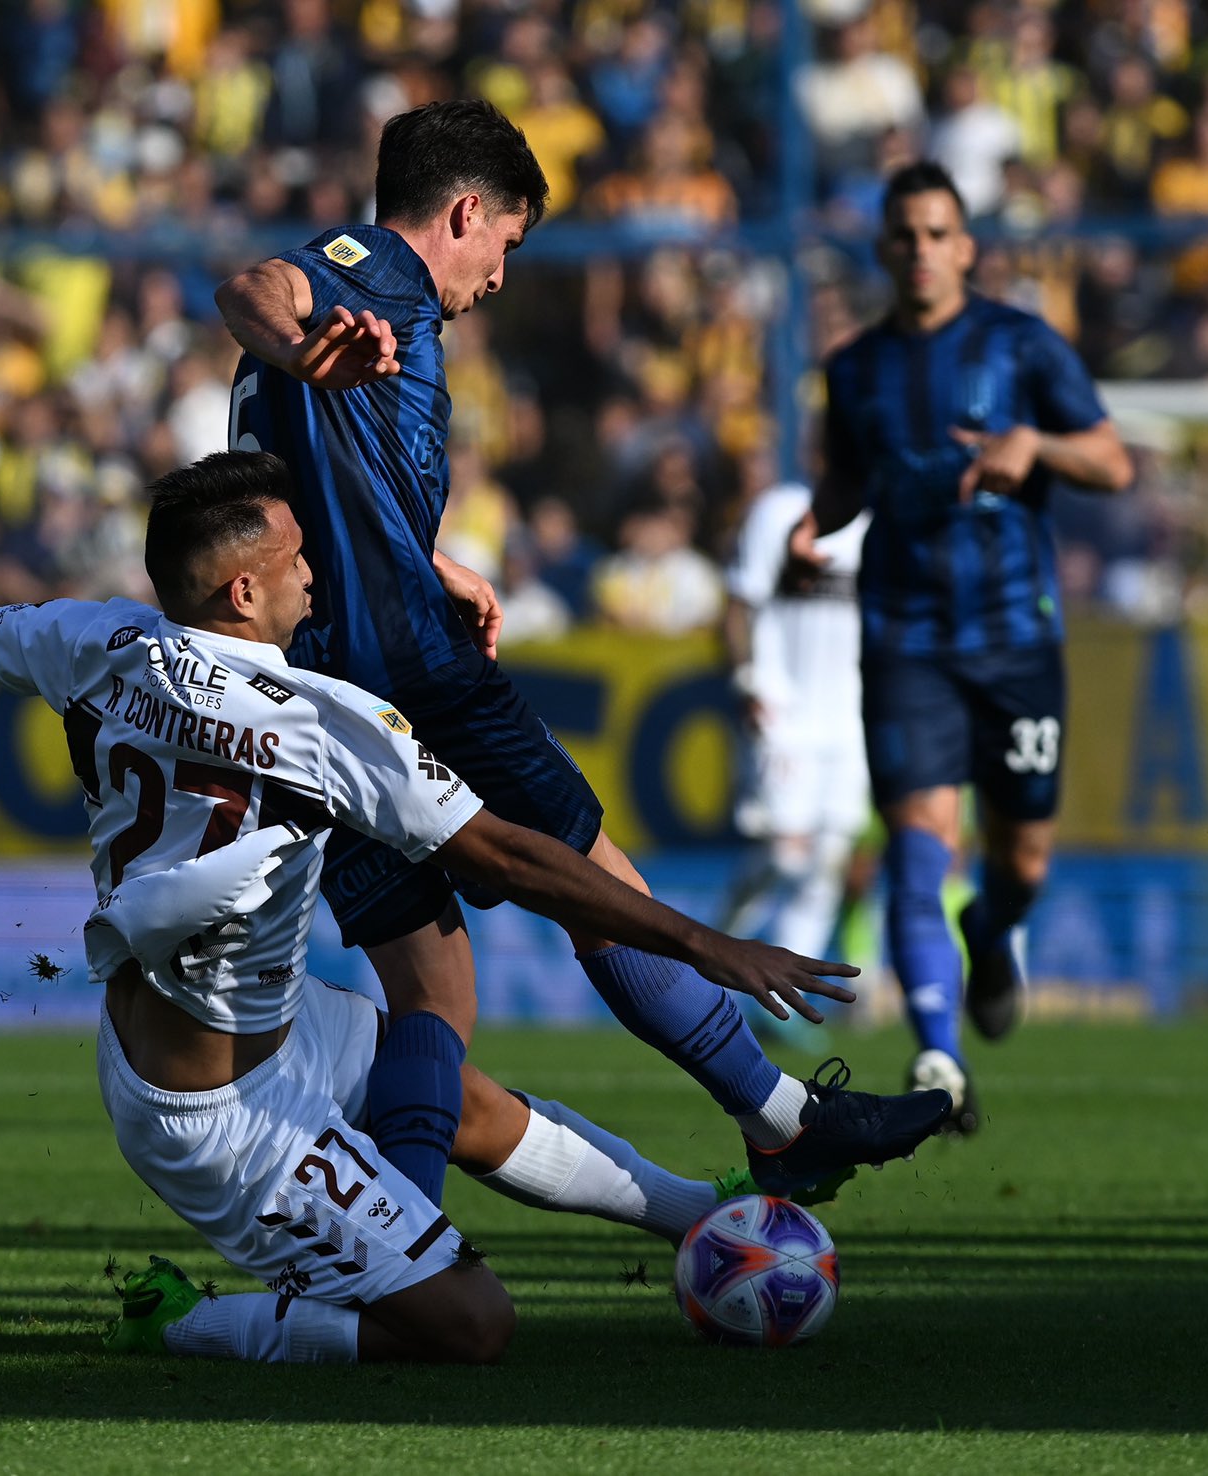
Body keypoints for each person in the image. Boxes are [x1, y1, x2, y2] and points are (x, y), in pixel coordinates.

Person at [0, 450, 951, 1366]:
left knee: (475, 1105)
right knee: (470, 1329)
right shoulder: (324, 722)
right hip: (215, 1118)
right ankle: (193, 1321)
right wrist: (701, 940)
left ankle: (709, 1224)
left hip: (253, 1027)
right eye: (296, 557)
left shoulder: (102, 642)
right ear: (239, 591)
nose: (317, 574)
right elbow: (509, 858)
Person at [214, 100, 927, 1208]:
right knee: (598, 886)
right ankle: (781, 1120)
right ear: (463, 212)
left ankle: (397, 1246)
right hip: (412, 675)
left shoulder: (354, 336)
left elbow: (303, 486)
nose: (499, 275)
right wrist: (301, 337)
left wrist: (424, 552)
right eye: (506, 241)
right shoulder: (378, 274)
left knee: (432, 992)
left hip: (309, 697)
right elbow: (254, 287)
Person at [790, 161, 1133, 1131]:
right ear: (882, 248)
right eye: (903, 235)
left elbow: (1110, 460)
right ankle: (937, 1054)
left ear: (966, 245)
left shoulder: (1020, 345)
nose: (920, 251)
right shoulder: (852, 367)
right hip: (904, 637)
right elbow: (849, 481)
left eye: (937, 233)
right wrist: (810, 526)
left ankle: (990, 932)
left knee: (1017, 858)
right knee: (913, 845)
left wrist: (1035, 447)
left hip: (1015, 639)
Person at [722, 479, 871, 973]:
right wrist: (747, 680)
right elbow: (739, 603)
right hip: (784, 708)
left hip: (849, 719)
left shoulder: (876, 520)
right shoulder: (781, 510)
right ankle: (710, 950)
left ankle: (789, 993)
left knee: (829, 860)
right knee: (787, 857)